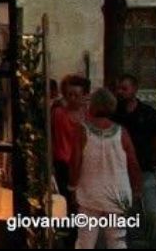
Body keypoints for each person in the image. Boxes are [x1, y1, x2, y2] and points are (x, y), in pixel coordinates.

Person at [73, 88, 143, 249]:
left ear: (93, 105)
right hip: (117, 195)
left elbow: (74, 161)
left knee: (85, 242)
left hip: (89, 194)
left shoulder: (83, 131)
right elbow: (133, 162)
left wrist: (72, 186)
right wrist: (137, 188)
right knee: (117, 241)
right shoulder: (121, 132)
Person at [113, 73, 156, 247]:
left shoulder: (148, 113)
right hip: (121, 172)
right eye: (118, 88)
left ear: (134, 89)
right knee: (128, 217)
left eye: (124, 88)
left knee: (152, 212)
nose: (120, 92)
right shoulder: (114, 113)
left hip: (145, 170)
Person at [53, 74, 90, 227]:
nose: (72, 98)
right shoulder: (58, 113)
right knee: (67, 203)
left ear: (84, 95)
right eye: (69, 94)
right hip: (63, 163)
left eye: (76, 95)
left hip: (84, 164)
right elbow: (53, 138)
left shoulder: (89, 115)